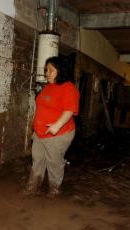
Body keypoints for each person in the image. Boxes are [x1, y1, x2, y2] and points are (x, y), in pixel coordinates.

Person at [24, 56, 80, 197]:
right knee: (37, 160)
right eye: (46, 70)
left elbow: (70, 110)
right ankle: (32, 187)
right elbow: (41, 107)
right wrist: (34, 123)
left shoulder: (68, 87)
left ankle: (54, 189)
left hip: (59, 133)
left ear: (60, 71)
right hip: (40, 132)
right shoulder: (48, 87)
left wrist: (56, 125)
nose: (47, 73)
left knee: (54, 162)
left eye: (51, 70)